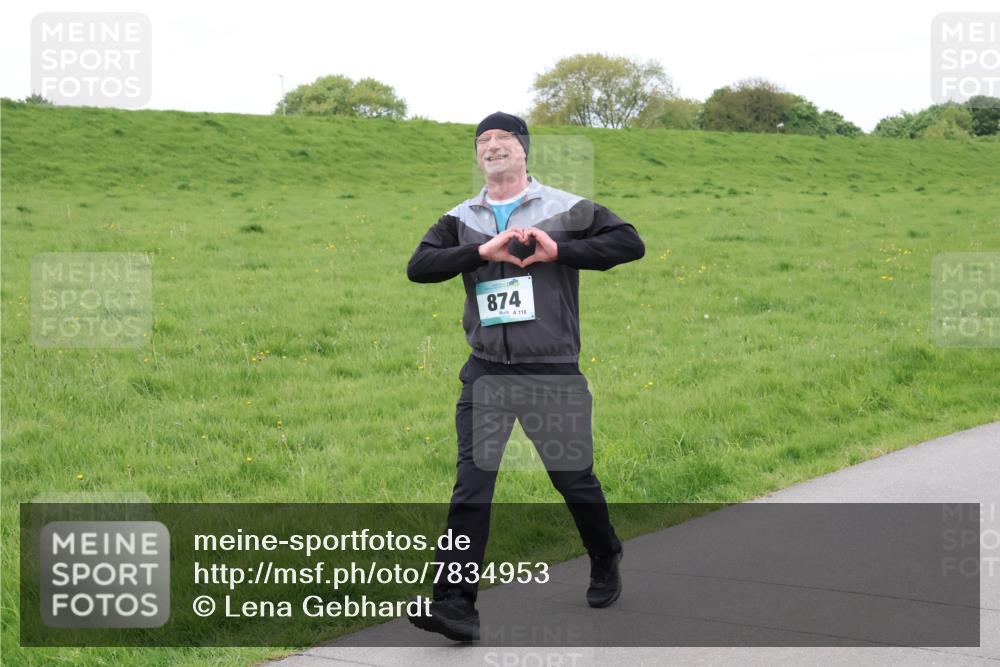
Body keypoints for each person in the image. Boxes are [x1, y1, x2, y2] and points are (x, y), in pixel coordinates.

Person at [405, 111, 645, 642]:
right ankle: (455, 604)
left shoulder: (565, 207)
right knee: (472, 486)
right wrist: (480, 251)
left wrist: (560, 250)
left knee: (571, 478)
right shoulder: (460, 216)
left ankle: (605, 553)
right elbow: (419, 266)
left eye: (503, 139)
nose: (492, 146)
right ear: (477, 156)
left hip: (551, 369)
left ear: (524, 151)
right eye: (483, 141)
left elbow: (629, 243)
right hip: (486, 373)